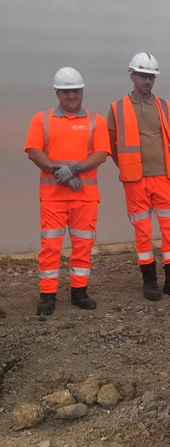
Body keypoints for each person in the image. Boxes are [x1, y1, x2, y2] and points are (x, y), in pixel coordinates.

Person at [107, 52, 170, 301]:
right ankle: (149, 282)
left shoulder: (165, 106)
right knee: (143, 232)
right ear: (132, 75)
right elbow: (113, 145)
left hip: (163, 176)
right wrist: (128, 165)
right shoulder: (117, 108)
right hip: (135, 179)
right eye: (143, 76)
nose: (147, 81)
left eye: (151, 77)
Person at [25, 67, 110, 315]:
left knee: (83, 245)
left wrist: (74, 169)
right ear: (57, 93)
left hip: (84, 198)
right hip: (53, 198)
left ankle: (79, 291)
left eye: (75, 91)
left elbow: (102, 153)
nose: (71, 96)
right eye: (65, 92)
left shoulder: (96, 121)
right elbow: (33, 150)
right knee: (50, 246)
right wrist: (56, 170)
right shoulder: (42, 119)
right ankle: (47, 294)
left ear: (82, 92)